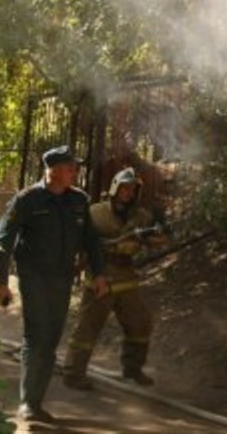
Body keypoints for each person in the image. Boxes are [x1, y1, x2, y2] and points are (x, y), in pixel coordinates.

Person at [0, 145, 108, 424]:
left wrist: (100, 273)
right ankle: (28, 404)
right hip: (33, 275)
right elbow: (2, 241)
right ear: (52, 170)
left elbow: (92, 240)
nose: (74, 172)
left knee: (52, 337)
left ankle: (36, 402)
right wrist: (0, 281)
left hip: (63, 277)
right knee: (37, 333)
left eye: (75, 167)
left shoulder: (78, 200)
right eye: (70, 167)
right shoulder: (27, 199)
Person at [62, 164, 170, 389]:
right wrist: (108, 246)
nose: (128, 193)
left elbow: (159, 241)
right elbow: (80, 240)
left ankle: (133, 369)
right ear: (115, 188)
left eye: (132, 189)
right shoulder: (95, 213)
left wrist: (157, 235)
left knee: (140, 323)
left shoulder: (142, 217)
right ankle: (73, 373)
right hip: (101, 276)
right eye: (125, 189)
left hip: (126, 276)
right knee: (88, 328)